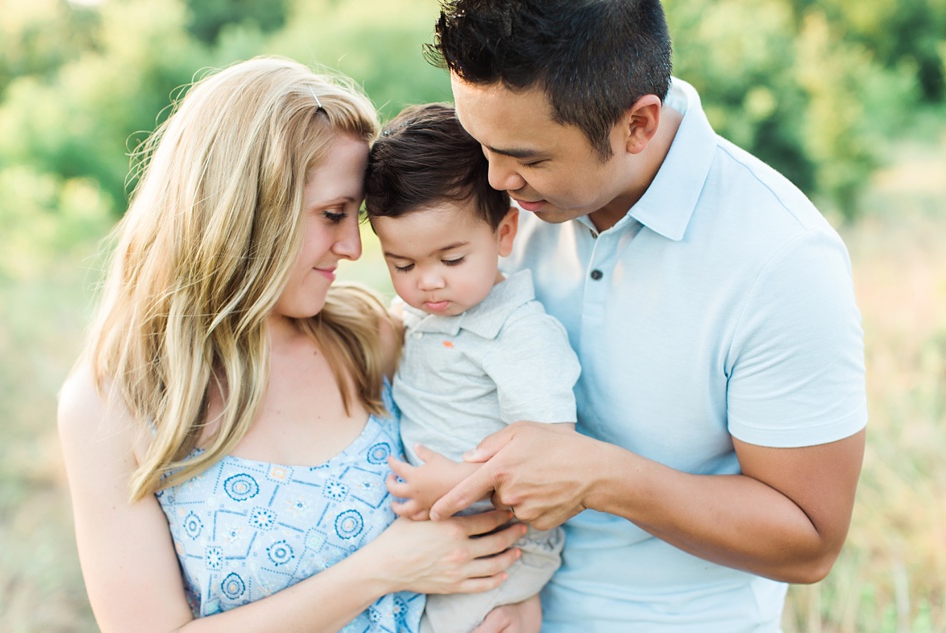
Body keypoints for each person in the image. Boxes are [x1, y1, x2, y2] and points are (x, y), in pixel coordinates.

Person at [396, 1, 869, 630]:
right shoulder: (497, 197)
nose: (495, 177)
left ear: (638, 126)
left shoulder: (780, 260)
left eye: (527, 157)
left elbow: (811, 541)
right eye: (480, 142)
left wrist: (602, 477)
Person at [56, 56, 526, 633]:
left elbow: (496, 475)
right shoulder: (114, 403)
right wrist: (382, 570)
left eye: (357, 219)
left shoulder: (370, 336)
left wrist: (514, 605)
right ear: (248, 210)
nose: (353, 248)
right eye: (332, 215)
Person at [363, 103, 581, 633]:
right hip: (444, 534)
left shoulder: (520, 334)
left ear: (504, 235)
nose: (428, 282)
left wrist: (460, 484)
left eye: (451, 260)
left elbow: (557, 465)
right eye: (403, 265)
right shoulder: (417, 311)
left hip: (504, 543)